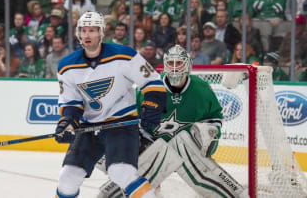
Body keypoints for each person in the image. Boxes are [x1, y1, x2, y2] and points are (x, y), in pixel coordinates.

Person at [98, 45, 248, 198]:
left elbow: (214, 117)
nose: (175, 68)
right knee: (110, 192)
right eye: (171, 63)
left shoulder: (201, 89)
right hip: (152, 146)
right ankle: (149, 186)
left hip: (188, 149)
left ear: (188, 65)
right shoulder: (148, 88)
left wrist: (211, 133)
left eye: (179, 63)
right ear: (165, 65)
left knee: (190, 153)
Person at [54, 11, 166, 198]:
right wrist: (67, 121)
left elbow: (152, 82)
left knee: (121, 172)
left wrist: (152, 106)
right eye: (83, 30)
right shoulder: (67, 66)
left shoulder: (125, 55)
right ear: (78, 34)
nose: (87, 35)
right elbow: (71, 102)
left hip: (122, 124)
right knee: (67, 178)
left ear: (101, 33)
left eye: (92, 30)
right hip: (89, 127)